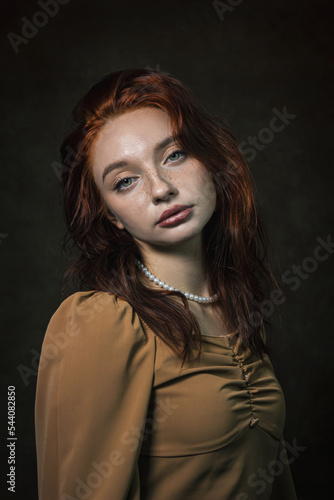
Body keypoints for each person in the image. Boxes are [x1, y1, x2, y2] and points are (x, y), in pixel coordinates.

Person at [34, 68, 298, 500]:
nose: (160, 189)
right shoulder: (102, 323)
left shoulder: (238, 310)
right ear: (113, 217)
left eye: (173, 155)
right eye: (125, 181)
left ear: (209, 159)